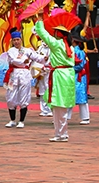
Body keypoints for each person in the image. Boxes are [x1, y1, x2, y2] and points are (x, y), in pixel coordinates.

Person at [33, 14, 76, 142]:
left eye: (55, 32)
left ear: (59, 34)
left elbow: (43, 34)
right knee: (59, 106)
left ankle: (62, 134)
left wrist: (40, 20)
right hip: (67, 75)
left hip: (60, 76)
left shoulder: (57, 45)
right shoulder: (71, 47)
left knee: (59, 106)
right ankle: (60, 133)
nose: (54, 33)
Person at [4, 29, 42, 128]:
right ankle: (12, 120)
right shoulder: (10, 51)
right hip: (13, 75)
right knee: (11, 97)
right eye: (14, 40)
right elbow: (14, 61)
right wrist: (24, 61)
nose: (16, 42)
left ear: (21, 40)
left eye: (18, 39)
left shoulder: (28, 51)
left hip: (25, 75)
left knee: (24, 97)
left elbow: (37, 57)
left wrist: (44, 59)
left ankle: (21, 121)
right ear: (12, 41)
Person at [70, 30, 90, 125]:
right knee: (69, 96)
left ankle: (85, 117)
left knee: (81, 96)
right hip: (74, 75)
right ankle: (66, 116)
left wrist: (70, 68)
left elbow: (80, 65)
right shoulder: (72, 50)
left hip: (79, 76)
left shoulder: (79, 52)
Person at [30, 35, 53, 117]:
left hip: (48, 70)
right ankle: (43, 109)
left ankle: (50, 109)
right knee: (42, 90)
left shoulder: (52, 49)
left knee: (48, 88)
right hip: (41, 71)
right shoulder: (40, 48)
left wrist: (47, 65)